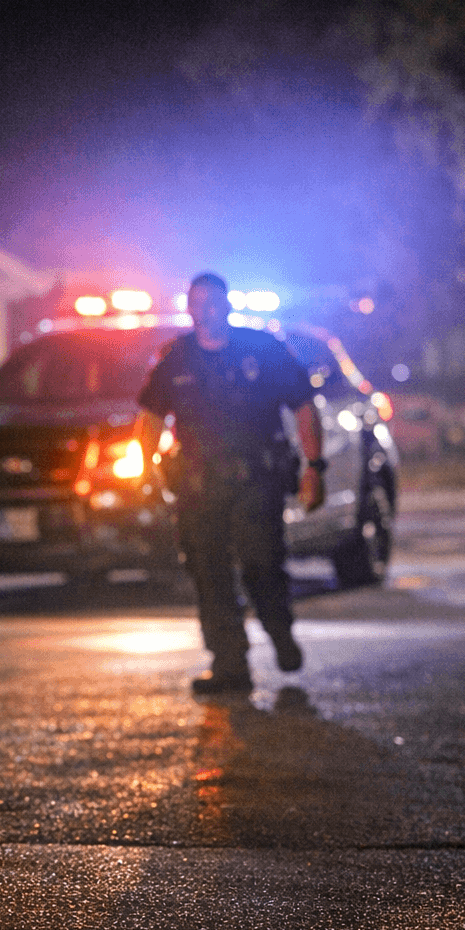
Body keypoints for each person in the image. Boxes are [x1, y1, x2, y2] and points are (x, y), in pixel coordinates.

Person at [135, 272, 326, 695]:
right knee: (209, 572)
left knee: (261, 563)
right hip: (199, 486)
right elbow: (149, 417)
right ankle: (229, 664)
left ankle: (279, 631)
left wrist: (314, 467)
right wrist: (147, 468)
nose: (206, 311)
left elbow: (304, 408)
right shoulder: (177, 358)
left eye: (214, 302)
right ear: (189, 308)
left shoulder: (263, 349)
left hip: (257, 478)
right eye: (198, 303)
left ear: (227, 306)